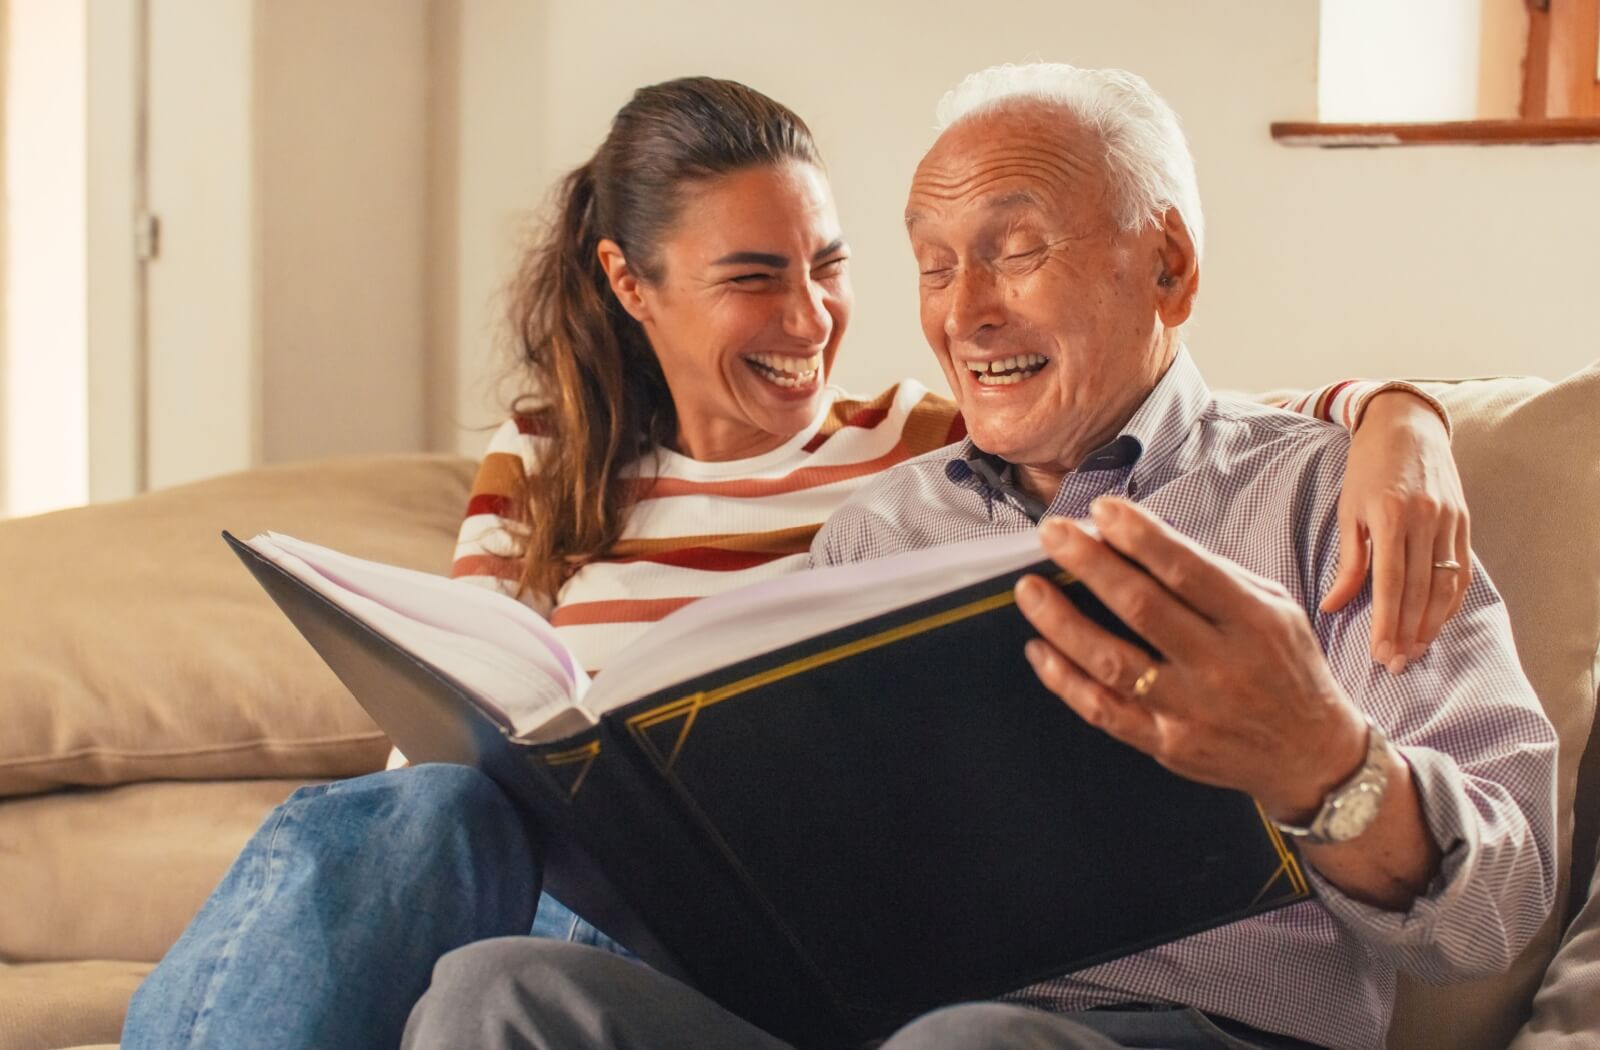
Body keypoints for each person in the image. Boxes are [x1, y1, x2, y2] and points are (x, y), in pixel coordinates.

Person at [125, 76, 1479, 1050]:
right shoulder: (589, 465)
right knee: (448, 883)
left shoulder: (923, 435)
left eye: (830, 267)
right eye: (757, 278)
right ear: (630, 283)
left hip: (981, 995)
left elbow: (1158, 406)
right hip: (623, 899)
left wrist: (1395, 413)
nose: (825, 315)